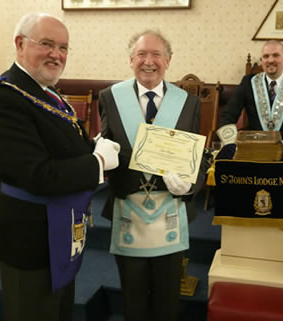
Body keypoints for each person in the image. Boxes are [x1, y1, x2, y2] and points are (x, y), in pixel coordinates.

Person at [0, 13, 120, 321]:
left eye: (64, 47)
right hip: (31, 239)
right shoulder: (1, 97)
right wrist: (97, 162)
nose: (57, 54)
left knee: (60, 311)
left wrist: (94, 146)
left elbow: (65, 148)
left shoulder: (49, 94)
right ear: (20, 44)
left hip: (62, 229)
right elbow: (37, 175)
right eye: (46, 44)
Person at [99, 29, 208, 321]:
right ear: (131, 60)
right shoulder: (110, 97)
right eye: (141, 55)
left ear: (168, 61)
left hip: (170, 210)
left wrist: (190, 185)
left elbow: (199, 158)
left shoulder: (188, 102)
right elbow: (104, 142)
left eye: (156, 54)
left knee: (167, 298)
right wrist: (99, 153)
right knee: (132, 299)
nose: (149, 61)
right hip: (127, 212)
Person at [217, 40, 283, 157]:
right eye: (266, 56)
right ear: (262, 60)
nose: (270, 60)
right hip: (253, 151)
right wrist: (234, 148)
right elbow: (227, 117)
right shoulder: (248, 83)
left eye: (276, 55)